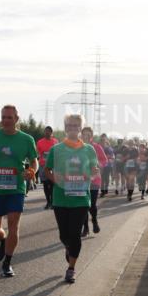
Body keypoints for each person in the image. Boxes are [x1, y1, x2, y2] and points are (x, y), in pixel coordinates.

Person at [0, 105, 38, 278]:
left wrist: (32, 171)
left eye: (9, 118)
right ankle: (2, 241)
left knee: (13, 224)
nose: (5, 121)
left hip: (16, 188)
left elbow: (34, 161)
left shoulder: (26, 139)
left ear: (16, 119)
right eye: (3, 117)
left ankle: (8, 263)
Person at [45, 113, 99, 284]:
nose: (73, 129)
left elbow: (94, 169)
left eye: (76, 126)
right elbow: (47, 170)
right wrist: (56, 179)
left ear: (81, 129)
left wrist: (92, 173)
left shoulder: (89, 149)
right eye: (69, 125)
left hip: (81, 199)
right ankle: (68, 247)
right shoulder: (56, 149)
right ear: (65, 128)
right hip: (61, 198)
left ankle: (71, 269)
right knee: (64, 235)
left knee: (75, 234)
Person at [81, 126, 107, 236]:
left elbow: (104, 160)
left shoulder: (96, 147)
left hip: (94, 180)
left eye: (88, 134)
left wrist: (98, 165)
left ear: (91, 136)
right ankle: (85, 228)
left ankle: (94, 220)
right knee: (83, 205)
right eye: (84, 134)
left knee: (92, 205)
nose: (86, 136)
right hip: (81, 180)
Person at [36, 125, 58, 209]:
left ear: (52, 133)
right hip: (43, 165)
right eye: (45, 131)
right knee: (45, 184)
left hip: (53, 166)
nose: (47, 133)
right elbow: (38, 153)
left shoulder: (55, 142)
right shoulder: (40, 142)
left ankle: (52, 202)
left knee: (52, 183)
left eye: (49, 131)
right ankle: (48, 202)